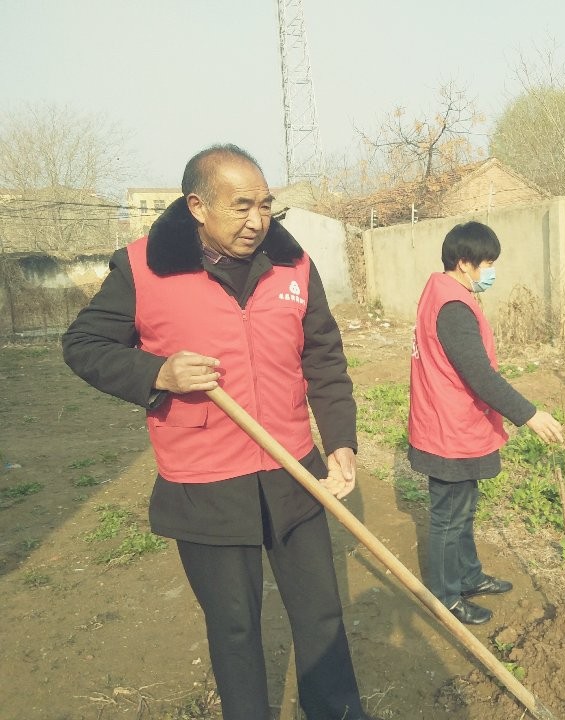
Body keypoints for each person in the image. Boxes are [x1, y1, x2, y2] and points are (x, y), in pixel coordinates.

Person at [62, 144, 377, 720]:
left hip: (293, 470)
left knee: (322, 614)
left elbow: (325, 359)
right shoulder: (142, 267)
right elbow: (82, 346)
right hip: (204, 481)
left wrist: (341, 443)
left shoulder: (293, 266)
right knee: (235, 628)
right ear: (197, 206)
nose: (258, 221)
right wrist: (158, 371)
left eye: (266, 206)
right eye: (241, 207)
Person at [407, 221, 563, 625]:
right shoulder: (453, 308)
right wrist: (529, 414)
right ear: (464, 263)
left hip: (457, 424)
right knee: (447, 517)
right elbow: (480, 375)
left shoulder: (443, 292)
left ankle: (469, 576)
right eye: (487, 263)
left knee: (464, 509)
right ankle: (447, 598)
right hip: (448, 430)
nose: (492, 271)